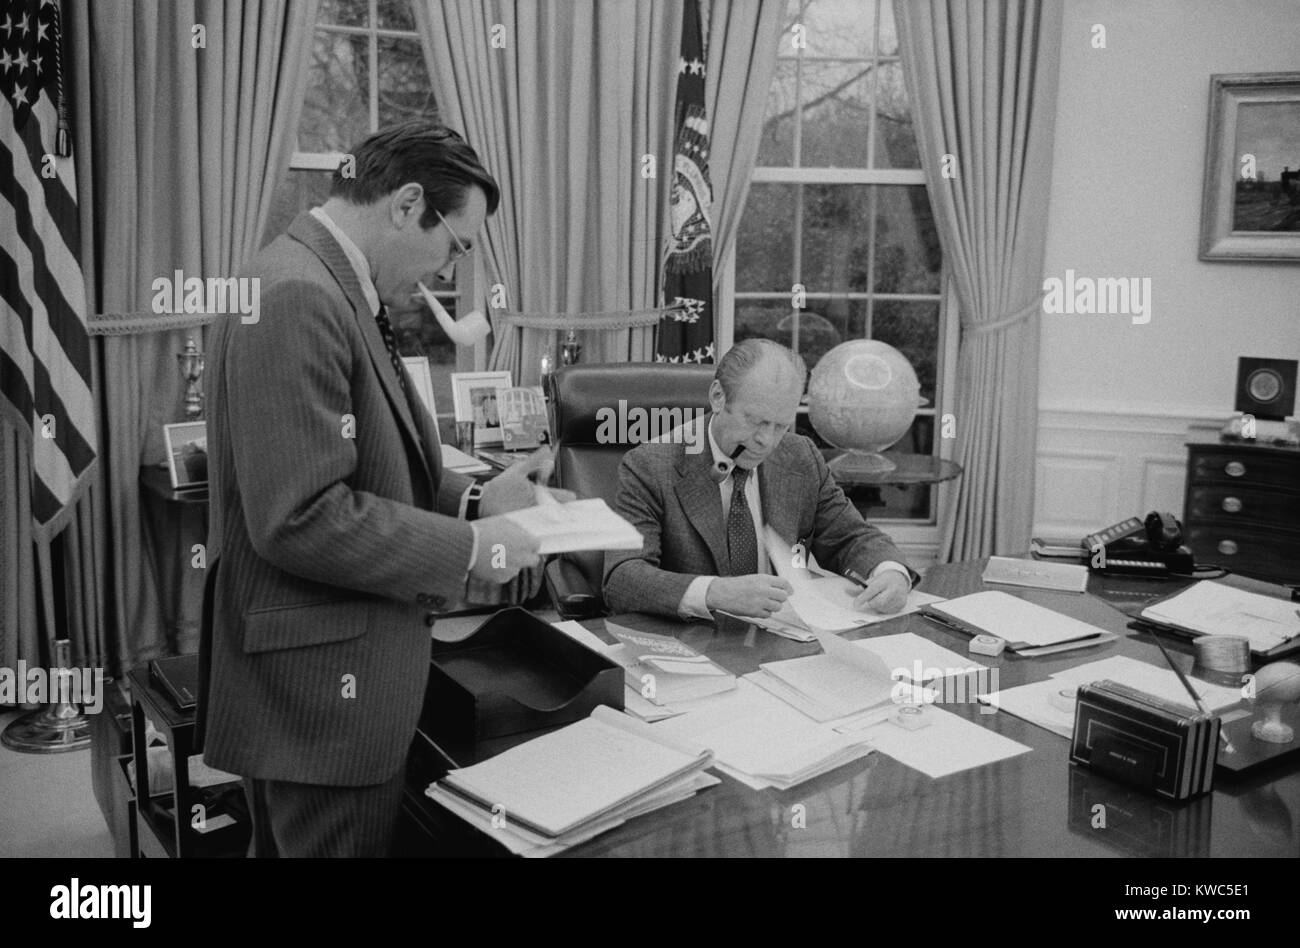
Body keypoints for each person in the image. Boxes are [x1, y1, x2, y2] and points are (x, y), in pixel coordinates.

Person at [200, 121, 564, 857]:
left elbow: (364, 468)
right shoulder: (299, 295)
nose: (443, 270)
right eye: (454, 246)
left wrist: (473, 503)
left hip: (322, 682)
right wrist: (472, 547)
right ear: (405, 204)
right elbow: (300, 517)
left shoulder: (319, 280)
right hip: (320, 699)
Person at [603, 339, 915, 621]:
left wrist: (890, 572)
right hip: (700, 642)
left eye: (780, 425)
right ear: (718, 397)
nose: (766, 441)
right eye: (755, 421)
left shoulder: (800, 456)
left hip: (787, 638)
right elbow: (622, 579)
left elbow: (851, 537)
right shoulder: (650, 465)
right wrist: (716, 592)